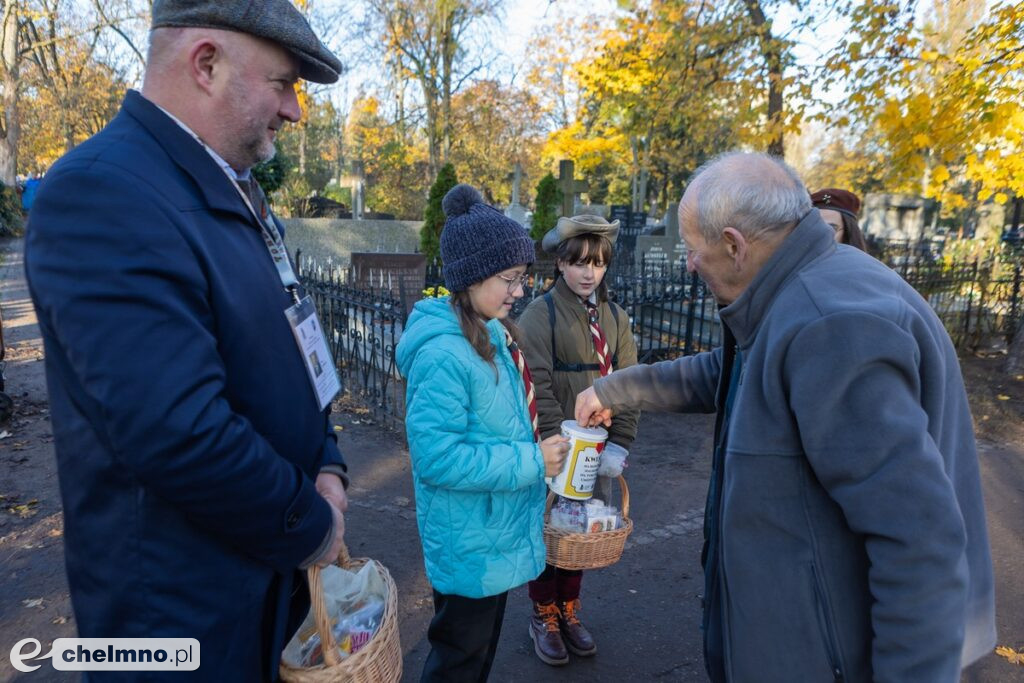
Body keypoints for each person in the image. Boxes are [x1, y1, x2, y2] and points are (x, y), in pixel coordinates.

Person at [575, 151, 996, 682]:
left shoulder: (830, 325)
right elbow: (726, 375)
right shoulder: (794, 294)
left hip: (830, 657)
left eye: (693, 250)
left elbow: (919, 544)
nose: (689, 265)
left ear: (734, 245)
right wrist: (616, 387)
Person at [24, 1, 350, 679]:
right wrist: (311, 525)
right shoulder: (102, 191)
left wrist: (329, 461)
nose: (295, 110)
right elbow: (178, 430)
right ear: (206, 64)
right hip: (181, 624)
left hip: (265, 584)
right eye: (284, 82)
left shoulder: (231, 186)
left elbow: (292, 343)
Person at [396, 184, 570, 682]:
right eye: (510, 278)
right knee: (458, 659)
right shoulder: (443, 355)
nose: (520, 290)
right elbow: (439, 459)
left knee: (476, 654)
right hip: (469, 537)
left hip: (491, 530)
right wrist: (534, 462)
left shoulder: (491, 332)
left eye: (523, 278)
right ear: (472, 276)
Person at [516, 214, 639, 665]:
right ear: (561, 264)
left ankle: (569, 608)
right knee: (549, 532)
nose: (590, 273)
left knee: (582, 532)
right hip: (558, 446)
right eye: (580, 263)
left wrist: (619, 443)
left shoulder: (617, 318)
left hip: (599, 449)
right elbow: (538, 383)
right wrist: (554, 444)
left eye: (599, 264)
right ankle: (543, 611)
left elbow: (630, 384)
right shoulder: (540, 313)